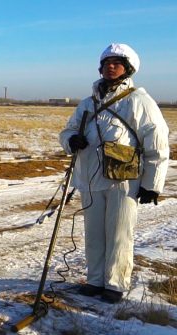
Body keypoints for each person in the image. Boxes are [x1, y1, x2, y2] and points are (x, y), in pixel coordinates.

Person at [59, 43, 169, 303]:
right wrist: (71, 139)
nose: (111, 66)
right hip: (91, 178)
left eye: (117, 62)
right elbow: (67, 130)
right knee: (94, 233)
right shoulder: (87, 103)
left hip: (124, 180)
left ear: (128, 68)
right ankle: (95, 280)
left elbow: (158, 143)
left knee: (119, 233)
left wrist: (152, 184)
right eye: (107, 62)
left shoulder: (139, 101)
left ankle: (116, 284)